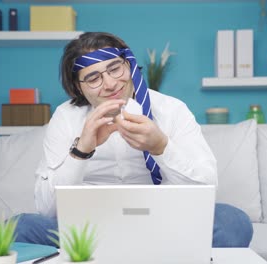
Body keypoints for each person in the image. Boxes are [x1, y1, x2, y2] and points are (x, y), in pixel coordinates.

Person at [15, 32, 253, 248]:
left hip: (163, 221)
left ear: (129, 66)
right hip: (89, 225)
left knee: (234, 223)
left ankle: (117, 251)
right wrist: (82, 150)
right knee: (19, 226)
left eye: (115, 69)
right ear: (79, 87)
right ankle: (141, 251)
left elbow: (207, 188)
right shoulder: (66, 117)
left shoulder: (171, 109)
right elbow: (47, 210)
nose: (110, 84)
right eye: (94, 78)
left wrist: (161, 147)